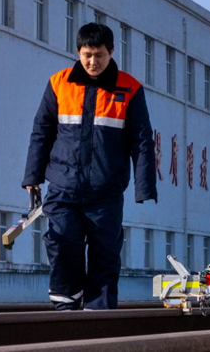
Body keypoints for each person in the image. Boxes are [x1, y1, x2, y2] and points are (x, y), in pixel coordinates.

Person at [23, 23, 156, 310]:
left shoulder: (130, 89)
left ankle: (99, 316)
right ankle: (67, 302)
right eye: (87, 55)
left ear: (111, 52)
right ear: (78, 52)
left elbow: (142, 140)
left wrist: (144, 186)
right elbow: (41, 131)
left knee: (105, 254)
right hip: (63, 187)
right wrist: (32, 177)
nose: (93, 62)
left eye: (99, 55)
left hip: (105, 192)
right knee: (62, 242)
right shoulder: (59, 84)